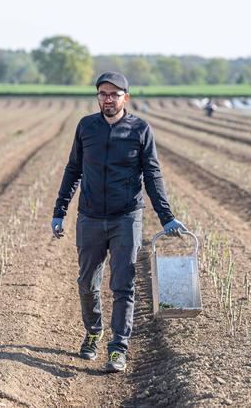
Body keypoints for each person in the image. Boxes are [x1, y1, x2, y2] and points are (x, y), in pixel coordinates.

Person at [51, 71, 186, 373]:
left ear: (127, 97)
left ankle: (118, 348)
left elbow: (152, 175)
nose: (108, 99)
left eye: (114, 94)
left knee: (123, 284)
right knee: (87, 282)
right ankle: (93, 332)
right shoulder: (86, 127)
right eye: (103, 94)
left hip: (126, 217)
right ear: (97, 97)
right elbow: (73, 170)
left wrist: (166, 218)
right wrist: (59, 210)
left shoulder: (140, 130)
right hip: (90, 217)